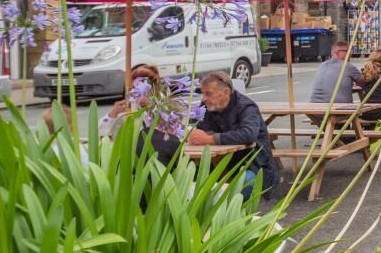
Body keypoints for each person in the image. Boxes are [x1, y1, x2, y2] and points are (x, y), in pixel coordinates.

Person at [188, 71, 280, 200]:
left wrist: (210, 138)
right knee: (188, 174)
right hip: (217, 163)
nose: (204, 98)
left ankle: (234, 215)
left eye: (208, 93)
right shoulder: (206, 107)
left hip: (251, 165)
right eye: (203, 94)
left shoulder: (246, 107)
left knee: (246, 181)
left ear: (226, 93)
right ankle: (203, 215)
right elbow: (195, 126)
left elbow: (248, 135)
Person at [99, 63, 182, 164]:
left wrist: (154, 108)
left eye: (141, 91)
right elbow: (102, 135)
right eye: (134, 90)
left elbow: (177, 135)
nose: (136, 95)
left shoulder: (168, 107)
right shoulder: (127, 112)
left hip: (159, 158)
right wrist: (112, 114)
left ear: (154, 89)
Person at [311, 39, 361, 104]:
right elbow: (364, 83)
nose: (349, 54)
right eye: (347, 51)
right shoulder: (347, 66)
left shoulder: (322, 65)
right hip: (337, 108)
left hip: (315, 106)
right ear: (338, 52)